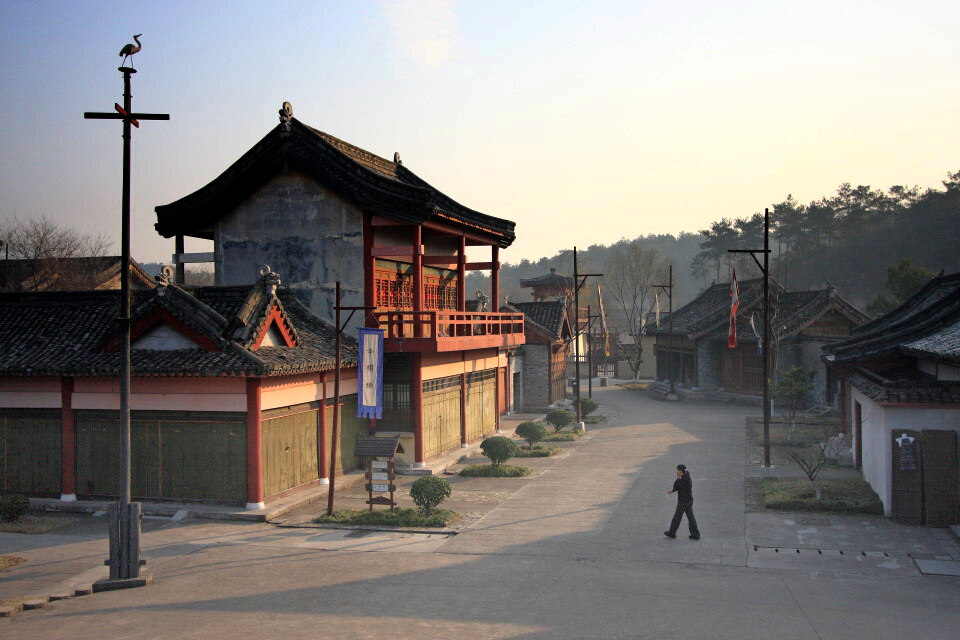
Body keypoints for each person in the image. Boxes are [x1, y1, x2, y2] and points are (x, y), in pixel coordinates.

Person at [665, 464, 700, 540]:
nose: (677, 472)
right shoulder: (687, 475)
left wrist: (678, 478)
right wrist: (673, 490)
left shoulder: (683, 479)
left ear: (681, 471)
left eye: (678, 470)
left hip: (683, 501)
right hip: (689, 500)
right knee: (691, 517)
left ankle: (672, 533)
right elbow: (677, 487)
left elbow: (677, 485)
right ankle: (695, 534)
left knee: (677, 517)